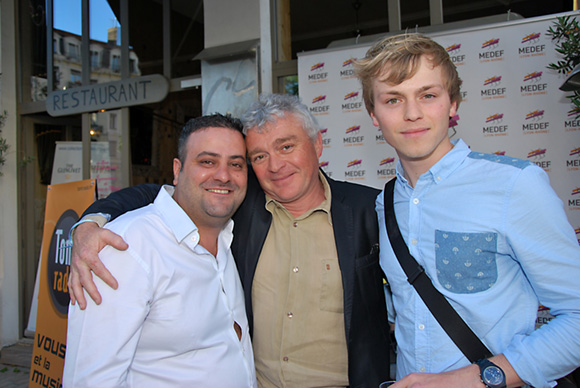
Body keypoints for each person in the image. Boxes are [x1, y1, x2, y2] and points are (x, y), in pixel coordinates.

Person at [68, 94, 391, 387]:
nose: (276, 166)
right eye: (259, 156)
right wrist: (89, 223)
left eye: (287, 147)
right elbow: (162, 195)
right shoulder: (240, 206)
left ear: (317, 145)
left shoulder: (369, 210)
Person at [354, 33, 580, 388]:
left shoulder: (515, 186)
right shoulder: (384, 205)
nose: (412, 114)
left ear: (452, 104)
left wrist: (472, 378)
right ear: (373, 114)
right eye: (393, 100)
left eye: (428, 95)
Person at [63, 114, 257, 387]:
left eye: (235, 164)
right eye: (207, 161)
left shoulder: (225, 238)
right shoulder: (124, 248)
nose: (223, 175)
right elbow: (90, 380)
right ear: (177, 170)